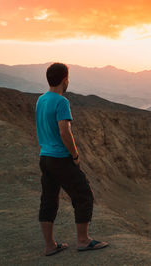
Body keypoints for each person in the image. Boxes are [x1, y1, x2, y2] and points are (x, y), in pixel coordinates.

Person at [35, 62, 108, 256]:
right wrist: (75, 155)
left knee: (49, 200)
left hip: (45, 157)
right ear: (65, 79)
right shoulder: (61, 102)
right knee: (84, 195)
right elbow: (64, 131)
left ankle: (50, 245)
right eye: (68, 78)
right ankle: (83, 241)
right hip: (60, 158)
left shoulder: (41, 100)